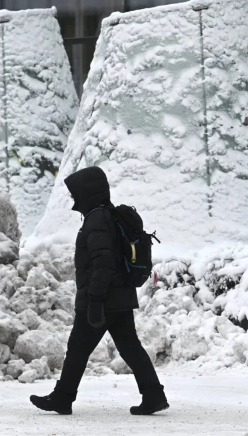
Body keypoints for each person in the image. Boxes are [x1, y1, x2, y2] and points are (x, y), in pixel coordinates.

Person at [30, 166, 169, 416]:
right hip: (120, 296)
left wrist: (94, 299)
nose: (73, 199)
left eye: (75, 194)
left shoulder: (97, 220)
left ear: (88, 193)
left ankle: (63, 398)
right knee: (129, 348)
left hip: (102, 298)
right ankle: (154, 395)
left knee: (78, 348)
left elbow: (103, 263)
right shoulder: (107, 216)